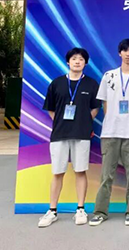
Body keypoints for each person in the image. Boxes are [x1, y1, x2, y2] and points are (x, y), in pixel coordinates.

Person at [89, 39, 129, 227]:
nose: (128, 54)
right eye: (125, 51)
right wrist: (113, 120)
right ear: (119, 53)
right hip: (110, 132)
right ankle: (100, 212)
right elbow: (104, 102)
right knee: (106, 174)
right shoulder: (109, 76)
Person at [38, 48, 100, 228]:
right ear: (68, 62)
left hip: (81, 134)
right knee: (58, 172)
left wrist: (84, 122)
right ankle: (52, 210)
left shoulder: (91, 84)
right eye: (74, 59)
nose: (77, 61)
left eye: (81, 59)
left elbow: (95, 108)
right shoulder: (56, 83)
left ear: (85, 63)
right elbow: (51, 109)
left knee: (80, 171)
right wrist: (60, 122)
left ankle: (80, 209)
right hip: (60, 134)